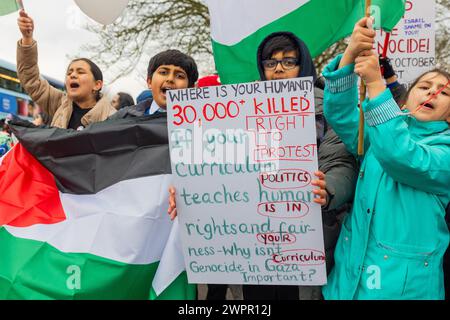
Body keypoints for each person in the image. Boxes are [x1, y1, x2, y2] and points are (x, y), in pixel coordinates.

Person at [168, 31, 358, 300]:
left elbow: (340, 161)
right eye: (271, 62)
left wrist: (329, 188)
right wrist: (189, 191)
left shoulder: (329, 107)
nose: (279, 69)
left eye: (288, 61)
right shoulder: (240, 107)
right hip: (253, 243)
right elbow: (215, 164)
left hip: (306, 236)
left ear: (302, 63)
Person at [321, 17, 450, 299]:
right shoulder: (380, 132)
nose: (432, 92)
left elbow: (401, 156)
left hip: (404, 290)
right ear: (406, 99)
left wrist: (376, 84)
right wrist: (350, 54)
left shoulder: (445, 151)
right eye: (424, 86)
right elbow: (343, 117)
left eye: (444, 92)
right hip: (347, 281)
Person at [17, 10, 115, 130]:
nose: (72, 75)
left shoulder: (113, 117)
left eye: (80, 72)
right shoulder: (59, 103)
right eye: (69, 72)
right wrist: (27, 39)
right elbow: (30, 79)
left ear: (97, 85)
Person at [110, 49, 198, 119]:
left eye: (180, 76)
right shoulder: (123, 117)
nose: (170, 79)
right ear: (149, 82)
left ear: (190, 88)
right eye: (163, 72)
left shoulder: (201, 122)